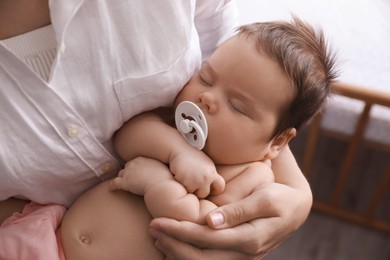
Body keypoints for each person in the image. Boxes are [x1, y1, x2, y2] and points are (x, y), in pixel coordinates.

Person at [0, 1, 315, 259]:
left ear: (278, 142)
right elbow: (128, 138)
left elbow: (201, 224)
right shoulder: (173, 127)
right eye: (205, 78)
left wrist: (157, 184)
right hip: (39, 234)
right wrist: (176, 151)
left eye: (238, 106)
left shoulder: (250, 177)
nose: (207, 98)